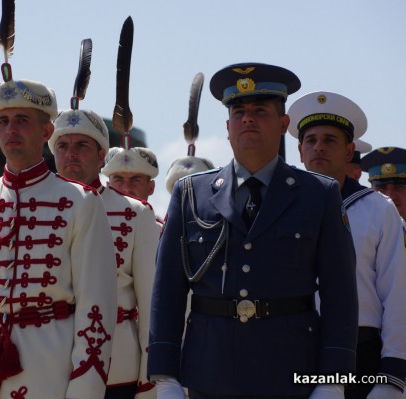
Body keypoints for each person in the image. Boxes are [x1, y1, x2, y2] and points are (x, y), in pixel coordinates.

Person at [147, 62, 358, 399]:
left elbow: (341, 295)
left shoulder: (319, 194)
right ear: (228, 126)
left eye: (260, 110)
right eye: (239, 112)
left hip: (291, 372)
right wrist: (165, 375)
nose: (247, 119)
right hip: (209, 372)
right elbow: (167, 290)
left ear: (283, 124)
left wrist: (333, 380)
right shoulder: (191, 194)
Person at [0, 78, 118, 399]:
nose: (11, 129)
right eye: (3, 121)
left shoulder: (81, 202)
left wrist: (84, 388)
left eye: (22, 120)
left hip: (50, 373)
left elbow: (96, 307)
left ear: (46, 133)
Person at [288, 91, 406, 399]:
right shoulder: (277, 206)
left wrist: (393, 374)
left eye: (330, 140)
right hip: (289, 347)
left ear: (349, 150)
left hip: (359, 354)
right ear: (299, 151)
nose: (319, 147)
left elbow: (397, 295)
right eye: (311, 140)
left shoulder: (378, 209)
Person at [50, 107, 161, 399]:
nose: (71, 154)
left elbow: (151, 304)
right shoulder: (35, 209)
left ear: (101, 156)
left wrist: (149, 381)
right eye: (63, 146)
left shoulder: (136, 214)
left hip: (115, 366)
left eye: (82, 145)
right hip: (47, 362)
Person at [361, 147, 406, 221]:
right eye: (382, 188)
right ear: (371, 190)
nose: (390, 196)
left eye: (399, 187)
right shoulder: (359, 230)